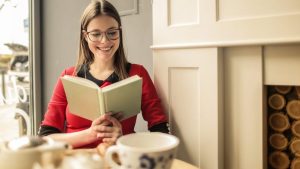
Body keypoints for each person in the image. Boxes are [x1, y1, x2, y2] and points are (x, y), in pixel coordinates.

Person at [38, 0, 169, 149]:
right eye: (96, 34)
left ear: (119, 32)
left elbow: (161, 131)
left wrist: (123, 140)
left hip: (117, 159)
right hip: (76, 162)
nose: (105, 41)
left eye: (112, 33)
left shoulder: (137, 74)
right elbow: (45, 137)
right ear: (85, 36)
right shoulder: (69, 76)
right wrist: (91, 134)